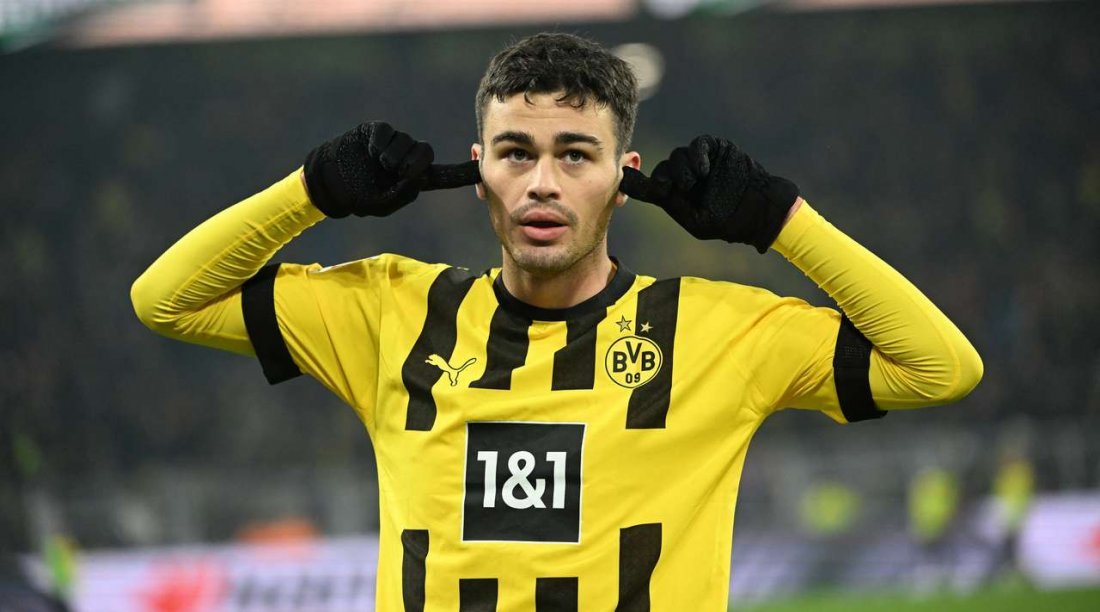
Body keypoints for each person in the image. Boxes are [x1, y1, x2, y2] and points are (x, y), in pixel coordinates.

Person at [131, 32, 983, 610]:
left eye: (575, 154)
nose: (542, 183)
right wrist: (311, 192)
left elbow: (941, 367)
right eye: (516, 153)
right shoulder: (391, 311)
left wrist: (780, 221)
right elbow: (165, 299)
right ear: (479, 173)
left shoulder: (713, 330)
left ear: (624, 176)